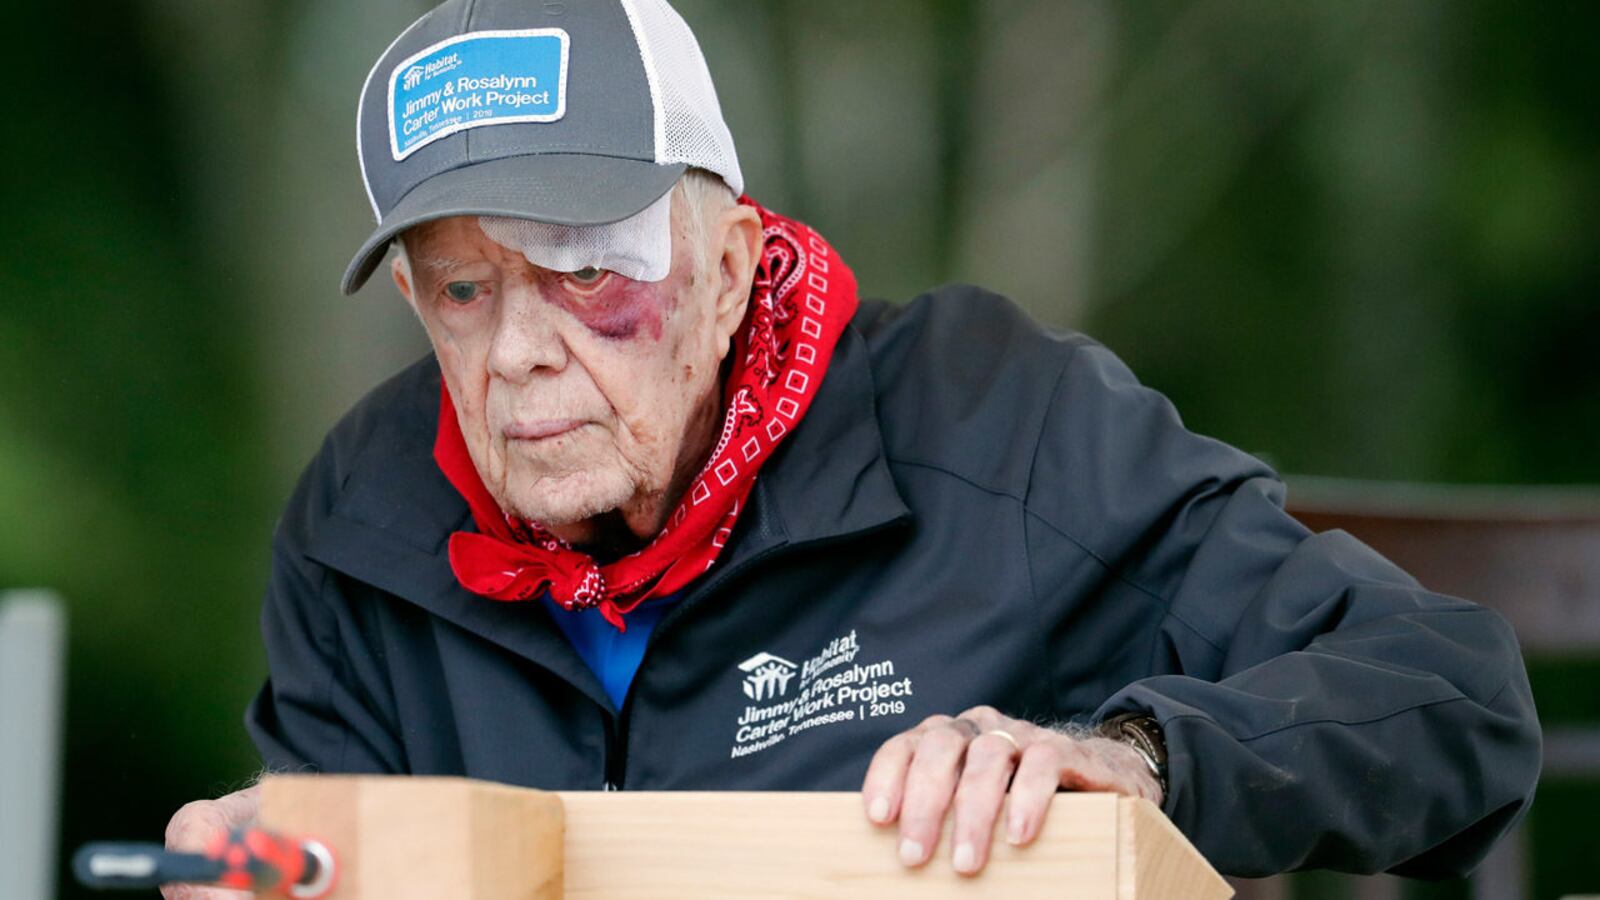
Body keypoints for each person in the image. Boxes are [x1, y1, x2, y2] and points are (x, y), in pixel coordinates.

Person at [163, 0, 1541, 894]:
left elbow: (1458, 699)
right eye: (464, 290)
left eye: (587, 272)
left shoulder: (998, 421)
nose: (519, 348)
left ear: (728, 261)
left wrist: (1141, 758)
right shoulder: (363, 520)